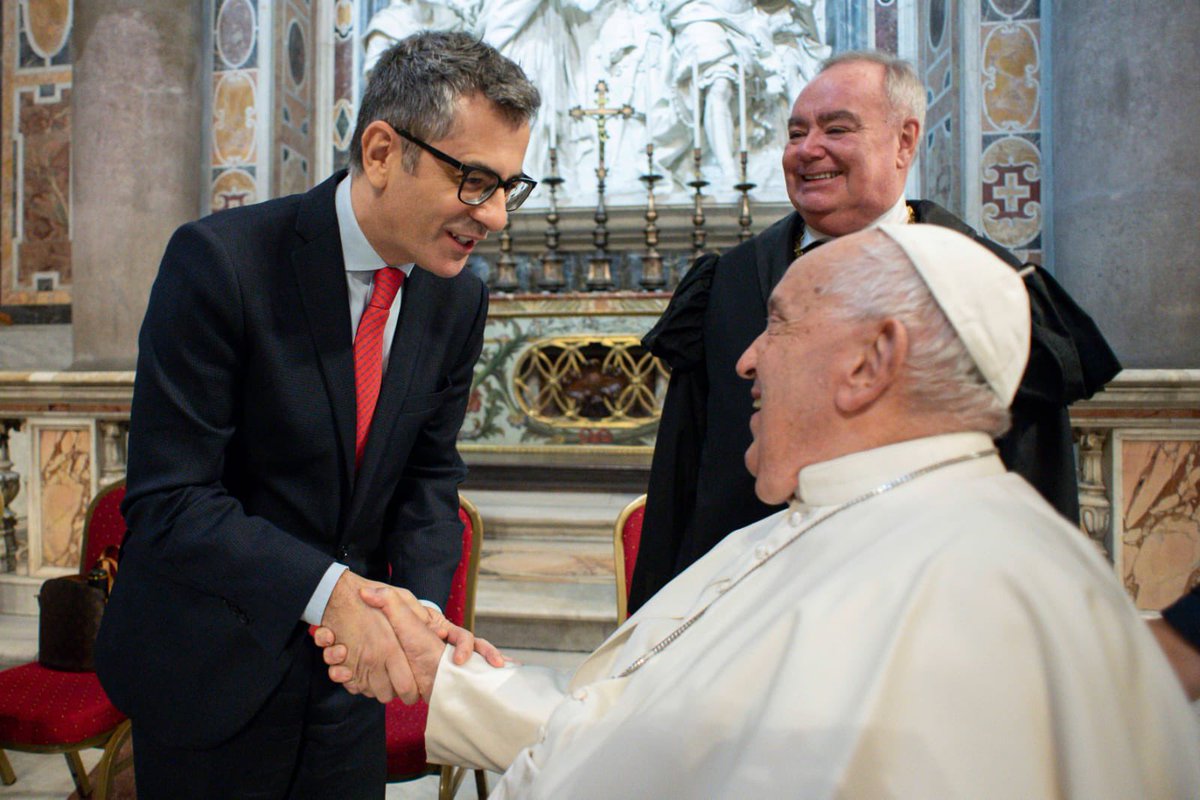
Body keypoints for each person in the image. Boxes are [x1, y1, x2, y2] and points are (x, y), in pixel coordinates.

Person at [317, 225, 1200, 798]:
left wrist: (450, 685)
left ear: (869, 364)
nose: (743, 360)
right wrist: (454, 683)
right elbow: (673, 742)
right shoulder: (863, 524)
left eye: (778, 325)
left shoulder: (953, 592)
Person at [94, 32, 539, 798]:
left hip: (348, 686)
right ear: (379, 151)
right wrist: (329, 588)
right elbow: (172, 501)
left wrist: (419, 619)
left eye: (510, 186)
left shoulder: (455, 296)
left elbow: (428, 478)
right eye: (474, 181)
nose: (495, 215)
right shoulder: (220, 263)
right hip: (211, 669)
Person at [627, 50, 1121, 613]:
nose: (808, 149)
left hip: (922, 614)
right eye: (796, 132)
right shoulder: (730, 282)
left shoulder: (982, 286)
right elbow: (681, 476)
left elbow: (1034, 478)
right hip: (736, 612)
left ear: (904, 141)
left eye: (837, 128)